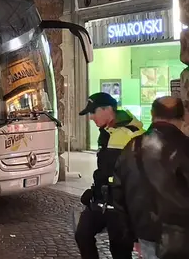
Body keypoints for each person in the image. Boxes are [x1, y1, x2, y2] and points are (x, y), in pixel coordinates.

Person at [113, 96, 189, 259]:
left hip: (145, 234)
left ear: (152, 114)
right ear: (183, 117)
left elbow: (119, 196)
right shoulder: (185, 147)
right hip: (183, 238)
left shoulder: (131, 147)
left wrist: (132, 235)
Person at [75, 92, 143, 259]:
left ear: (107, 109)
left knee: (120, 250)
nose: (91, 117)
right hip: (101, 199)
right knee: (83, 234)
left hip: (120, 205)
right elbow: (105, 169)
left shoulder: (131, 134)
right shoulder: (106, 131)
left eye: (93, 112)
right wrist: (95, 190)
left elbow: (133, 175)